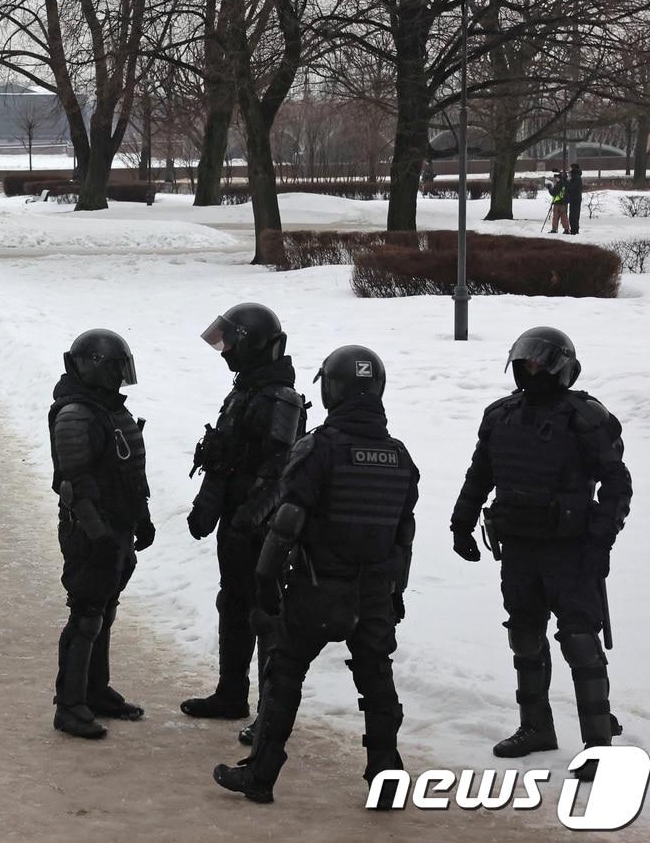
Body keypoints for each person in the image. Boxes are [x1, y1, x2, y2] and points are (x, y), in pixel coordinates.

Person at [213, 346, 418, 804]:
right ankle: (386, 778)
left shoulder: (319, 448)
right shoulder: (400, 456)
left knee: (284, 672)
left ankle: (261, 774)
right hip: (374, 593)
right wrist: (394, 591)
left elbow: (286, 521)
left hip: (317, 586)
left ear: (333, 389)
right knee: (377, 682)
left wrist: (265, 579)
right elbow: (404, 535)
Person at [450, 327, 631, 782]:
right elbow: (481, 472)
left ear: (559, 367)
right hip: (519, 545)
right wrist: (461, 522)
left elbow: (617, 484)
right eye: (524, 364)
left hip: (569, 550)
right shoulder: (501, 415)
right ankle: (535, 727)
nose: (530, 371)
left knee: (579, 640)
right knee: (524, 634)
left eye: (538, 364)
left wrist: (600, 540)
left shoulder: (585, 417)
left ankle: (598, 744)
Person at [183, 304, 306, 746]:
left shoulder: (279, 399)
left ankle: (268, 714)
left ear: (252, 344)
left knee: (265, 614)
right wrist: (207, 508)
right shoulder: (247, 391)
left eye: (231, 342)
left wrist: (249, 518)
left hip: (263, 528)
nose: (226, 352)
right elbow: (223, 459)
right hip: (237, 521)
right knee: (232, 604)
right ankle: (231, 693)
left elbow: (281, 472)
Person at [49, 329, 154, 740]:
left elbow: (131, 475)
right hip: (90, 530)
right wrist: (99, 534)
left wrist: (140, 519)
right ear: (95, 367)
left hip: (117, 525)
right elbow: (74, 483)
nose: (120, 377)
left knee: (105, 609)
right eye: (114, 369)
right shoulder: (76, 412)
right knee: (87, 612)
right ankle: (69, 705)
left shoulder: (109, 409)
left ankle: (96, 690)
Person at [568, 164, 583, 235]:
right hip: (576, 198)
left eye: (570, 168)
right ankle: (575, 229)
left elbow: (572, 187)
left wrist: (567, 184)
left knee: (573, 215)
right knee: (575, 214)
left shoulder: (576, 177)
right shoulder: (577, 177)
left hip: (575, 198)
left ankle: (574, 230)